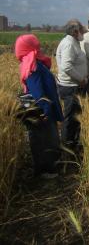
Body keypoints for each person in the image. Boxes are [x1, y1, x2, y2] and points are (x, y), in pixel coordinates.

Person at [15, 34, 63, 178]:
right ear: (30, 47)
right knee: (45, 140)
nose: (39, 46)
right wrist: (46, 112)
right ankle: (45, 170)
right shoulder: (32, 66)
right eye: (36, 44)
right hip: (42, 111)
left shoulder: (33, 62)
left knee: (45, 138)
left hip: (44, 108)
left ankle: (48, 167)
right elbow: (38, 93)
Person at [56, 19, 87, 149]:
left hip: (73, 86)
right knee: (69, 119)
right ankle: (67, 146)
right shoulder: (69, 44)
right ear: (75, 31)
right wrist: (81, 79)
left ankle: (72, 143)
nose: (83, 33)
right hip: (70, 87)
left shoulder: (73, 42)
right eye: (81, 30)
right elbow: (67, 67)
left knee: (74, 118)